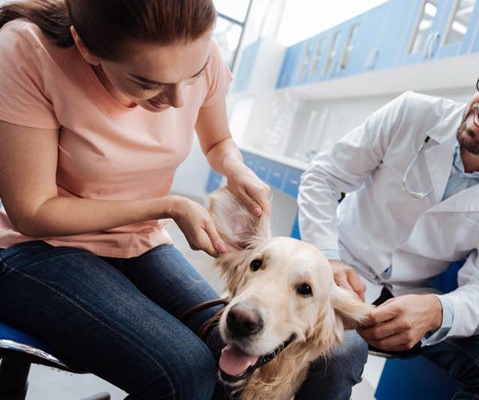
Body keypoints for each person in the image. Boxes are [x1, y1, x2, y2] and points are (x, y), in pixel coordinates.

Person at [0, 1, 364, 399]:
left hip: (139, 244)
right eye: (146, 82)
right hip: (37, 248)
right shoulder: (25, 50)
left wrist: (234, 166)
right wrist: (167, 206)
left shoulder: (197, 50)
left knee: (234, 360)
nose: (176, 102)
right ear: (87, 49)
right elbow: (33, 211)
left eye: (190, 78)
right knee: (185, 372)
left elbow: (219, 141)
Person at [298, 36, 479, 399]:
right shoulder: (412, 113)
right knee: (343, 350)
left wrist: (439, 310)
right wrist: (327, 257)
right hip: (339, 271)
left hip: (409, 299)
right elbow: (322, 177)